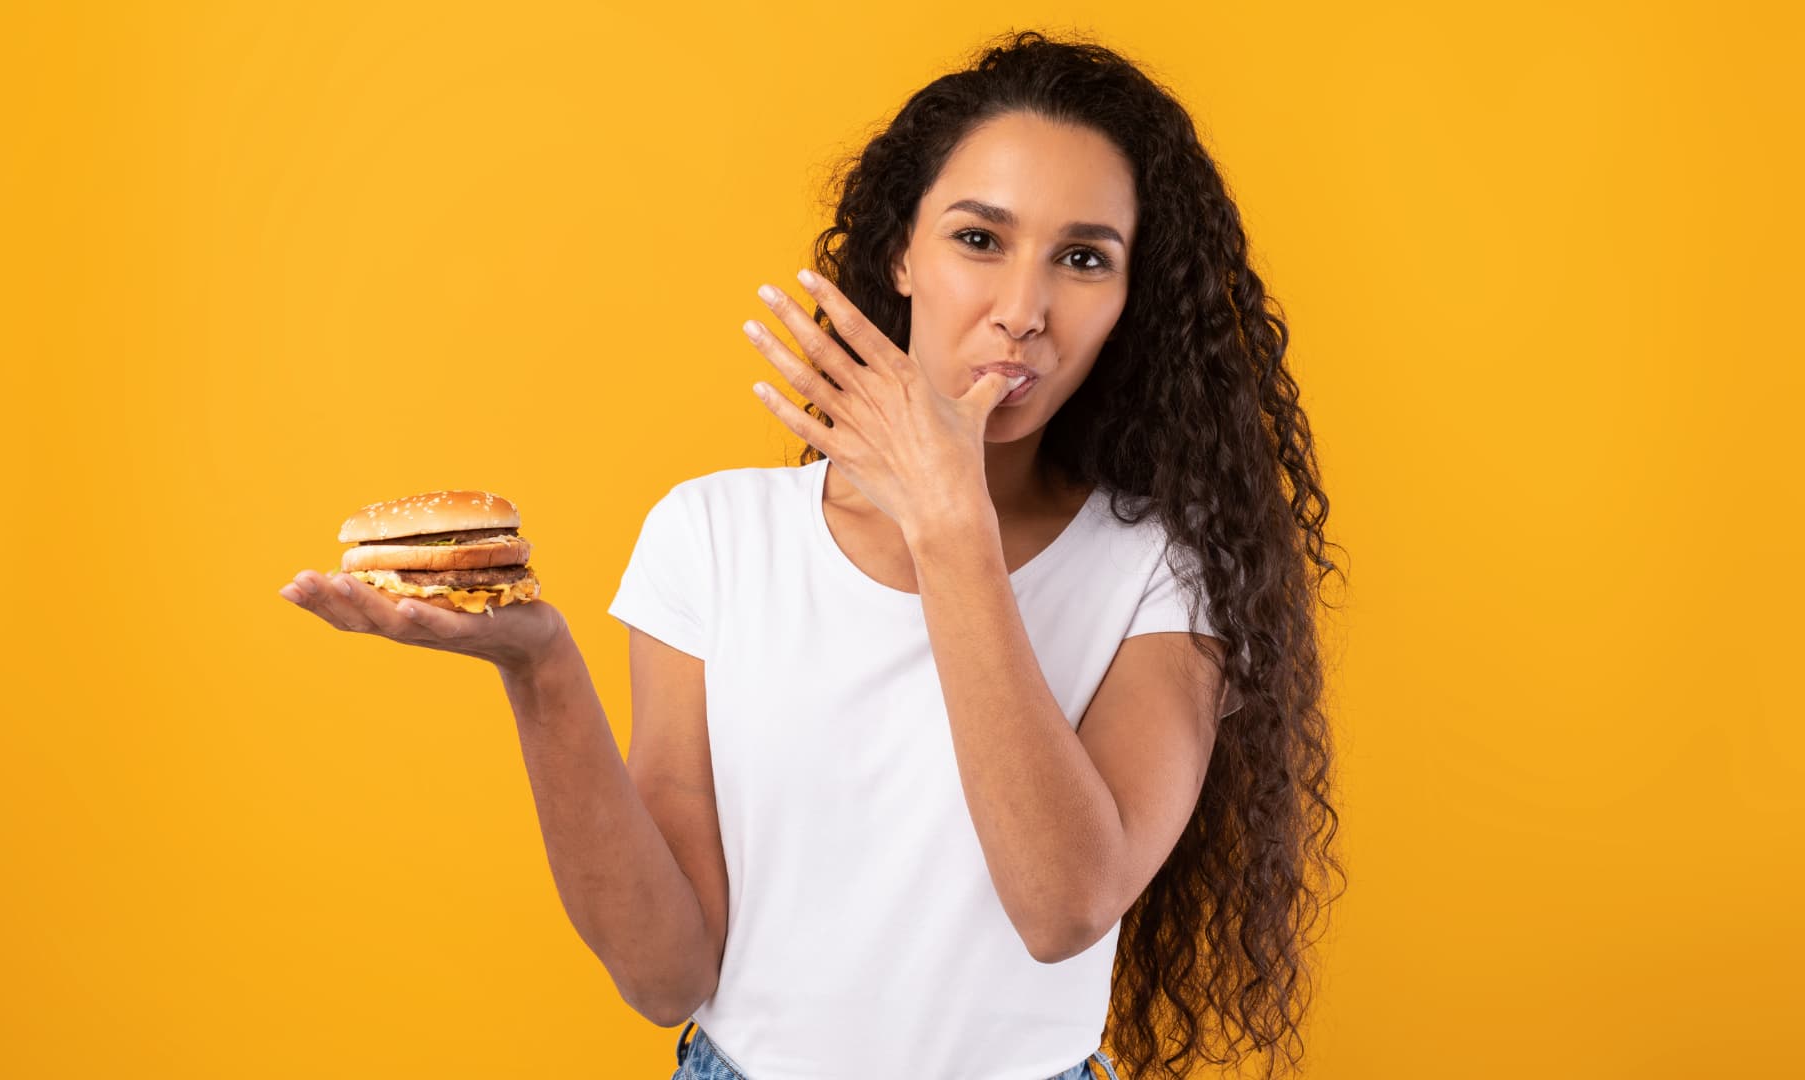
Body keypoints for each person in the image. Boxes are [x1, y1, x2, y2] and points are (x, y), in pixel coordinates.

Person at [279, 28, 1343, 1080]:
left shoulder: (1160, 569)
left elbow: (1063, 907)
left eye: (1082, 259)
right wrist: (541, 668)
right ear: (902, 256)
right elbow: (664, 976)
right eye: (979, 240)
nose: (1022, 313)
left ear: (1127, 300)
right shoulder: (713, 538)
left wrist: (949, 523)